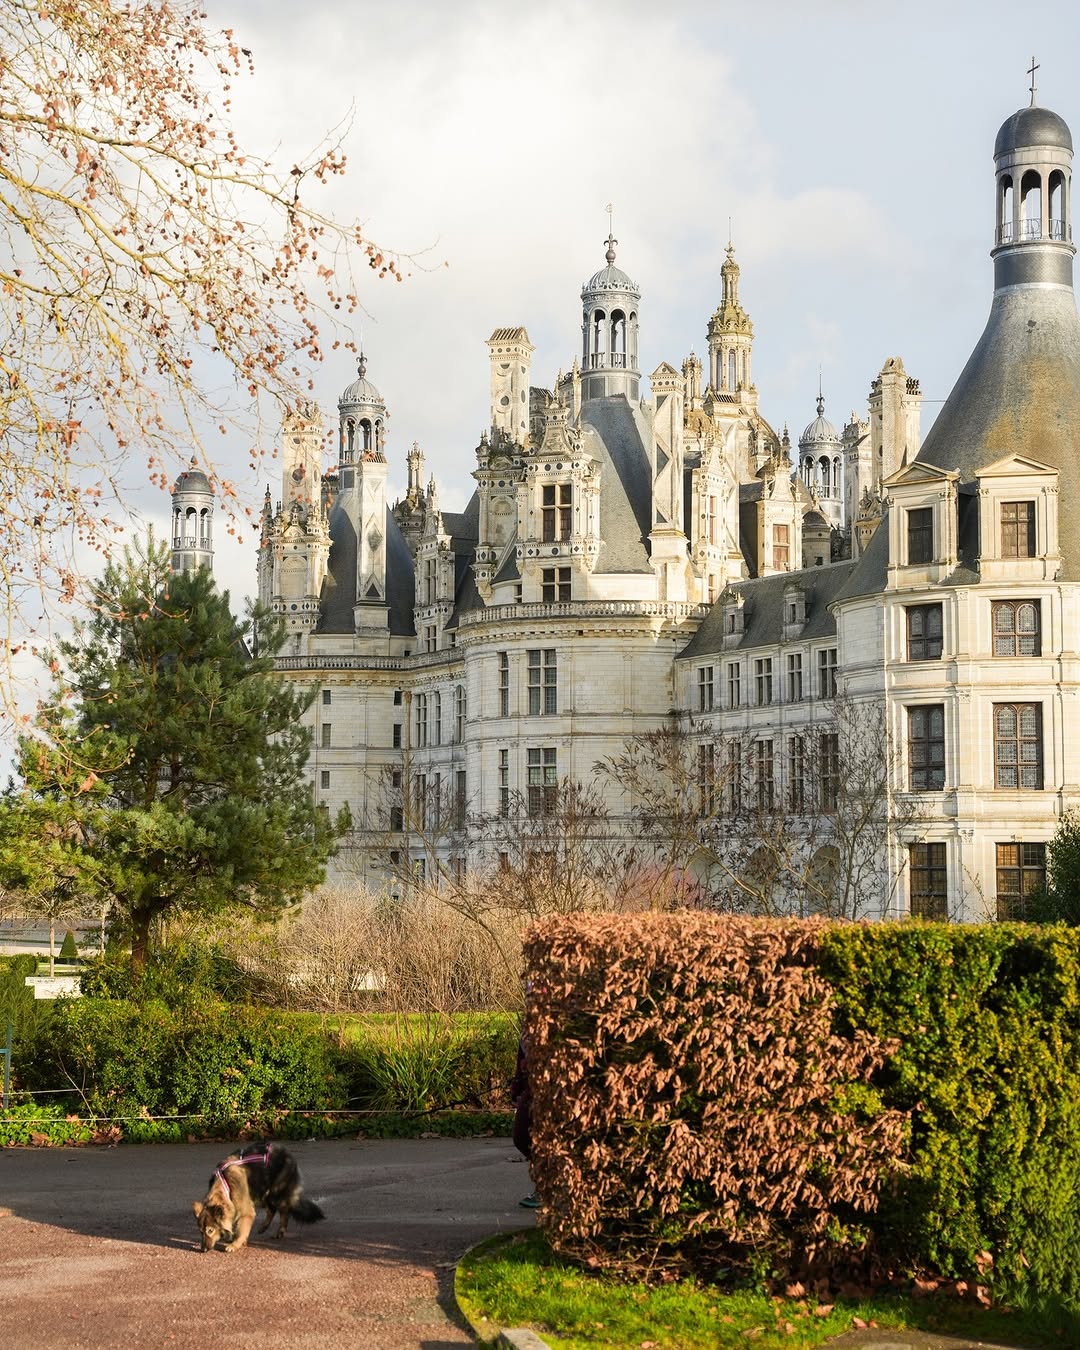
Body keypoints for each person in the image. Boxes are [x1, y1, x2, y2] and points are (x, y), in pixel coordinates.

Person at [510, 1034, 538, 1208]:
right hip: (530, 1086)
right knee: (521, 1136)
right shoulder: (528, 1027)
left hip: (556, 1086)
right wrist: (517, 1086)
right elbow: (522, 1057)